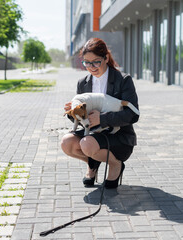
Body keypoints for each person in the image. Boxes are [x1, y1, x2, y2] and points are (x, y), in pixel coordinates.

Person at [61, 38, 139, 189]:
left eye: (96, 62)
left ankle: (115, 165)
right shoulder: (82, 83)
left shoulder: (123, 80)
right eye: (87, 62)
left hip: (119, 136)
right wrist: (73, 113)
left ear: (106, 58)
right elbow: (83, 120)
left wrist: (102, 119)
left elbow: (133, 115)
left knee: (87, 143)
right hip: (93, 134)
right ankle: (93, 163)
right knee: (67, 143)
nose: (91, 67)